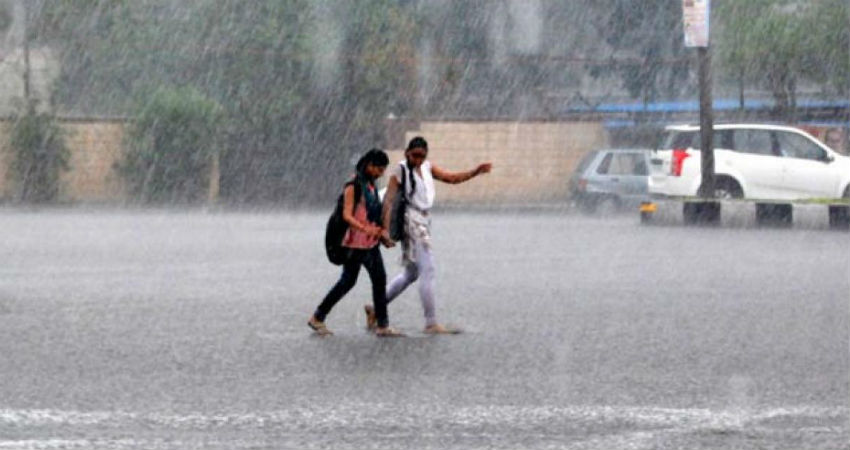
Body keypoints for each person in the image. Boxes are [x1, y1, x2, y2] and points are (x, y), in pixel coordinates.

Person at [366, 136, 492, 334]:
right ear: (407, 152)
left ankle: (376, 307)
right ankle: (430, 322)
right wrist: (384, 229)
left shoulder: (426, 167)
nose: (417, 160)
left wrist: (475, 172)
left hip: (424, 220)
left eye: (421, 156)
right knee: (428, 269)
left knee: (412, 273)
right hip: (412, 222)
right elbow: (389, 201)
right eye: (414, 155)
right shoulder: (400, 170)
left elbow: (451, 178)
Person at [308, 149, 403, 337]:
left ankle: (319, 317)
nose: (381, 173)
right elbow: (347, 215)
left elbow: (373, 213)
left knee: (365, 280)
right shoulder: (353, 185)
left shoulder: (370, 185)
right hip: (354, 244)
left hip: (369, 243)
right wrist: (365, 229)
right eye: (379, 169)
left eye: (383, 170)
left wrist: (381, 234)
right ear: (369, 165)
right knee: (357, 281)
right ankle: (381, 325)